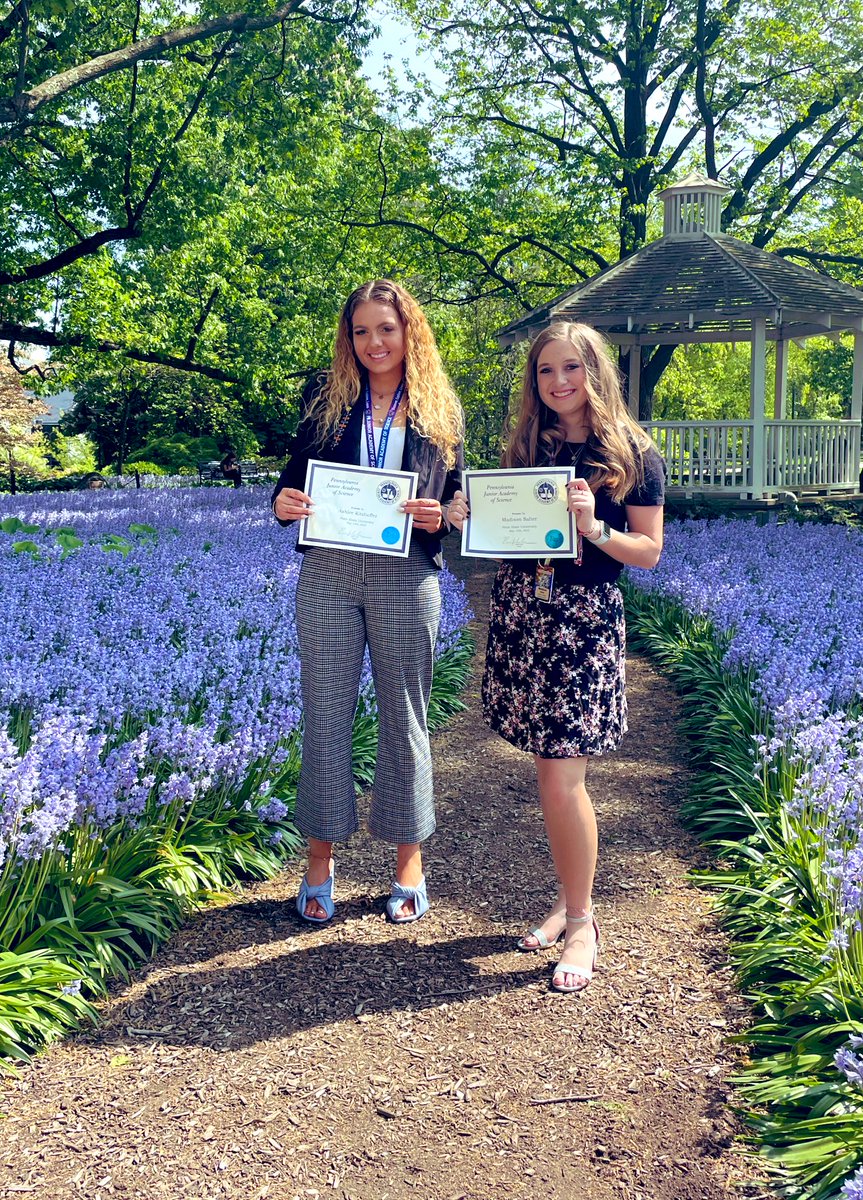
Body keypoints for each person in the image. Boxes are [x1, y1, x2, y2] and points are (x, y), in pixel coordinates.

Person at [447, 323, 664, 993]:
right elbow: (504, 530)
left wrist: (595, 528)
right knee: (549, 772)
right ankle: (569, 899)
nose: (558, 381)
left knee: (559, 778)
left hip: (581, 624)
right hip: (524, 611)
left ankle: (580, 923)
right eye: (545, 371)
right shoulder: (529, 446)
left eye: (570, 367)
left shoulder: (632, 453)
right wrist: (465, 516)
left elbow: (648, 551)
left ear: (593, 371)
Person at [271, 280, 464, 925]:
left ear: (410, 332)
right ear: (347, 339)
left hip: (406, 574)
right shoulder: (323, 401)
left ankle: (408, 859)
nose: (374, 343)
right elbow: (289, 488)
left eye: (386, 329)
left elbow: (457, 506)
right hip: (329, 570)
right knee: (324, 705)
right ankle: (320, 859)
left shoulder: (441, 411)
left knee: (404, 712)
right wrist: (283, 505)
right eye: (361, 332)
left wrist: (442, 514)